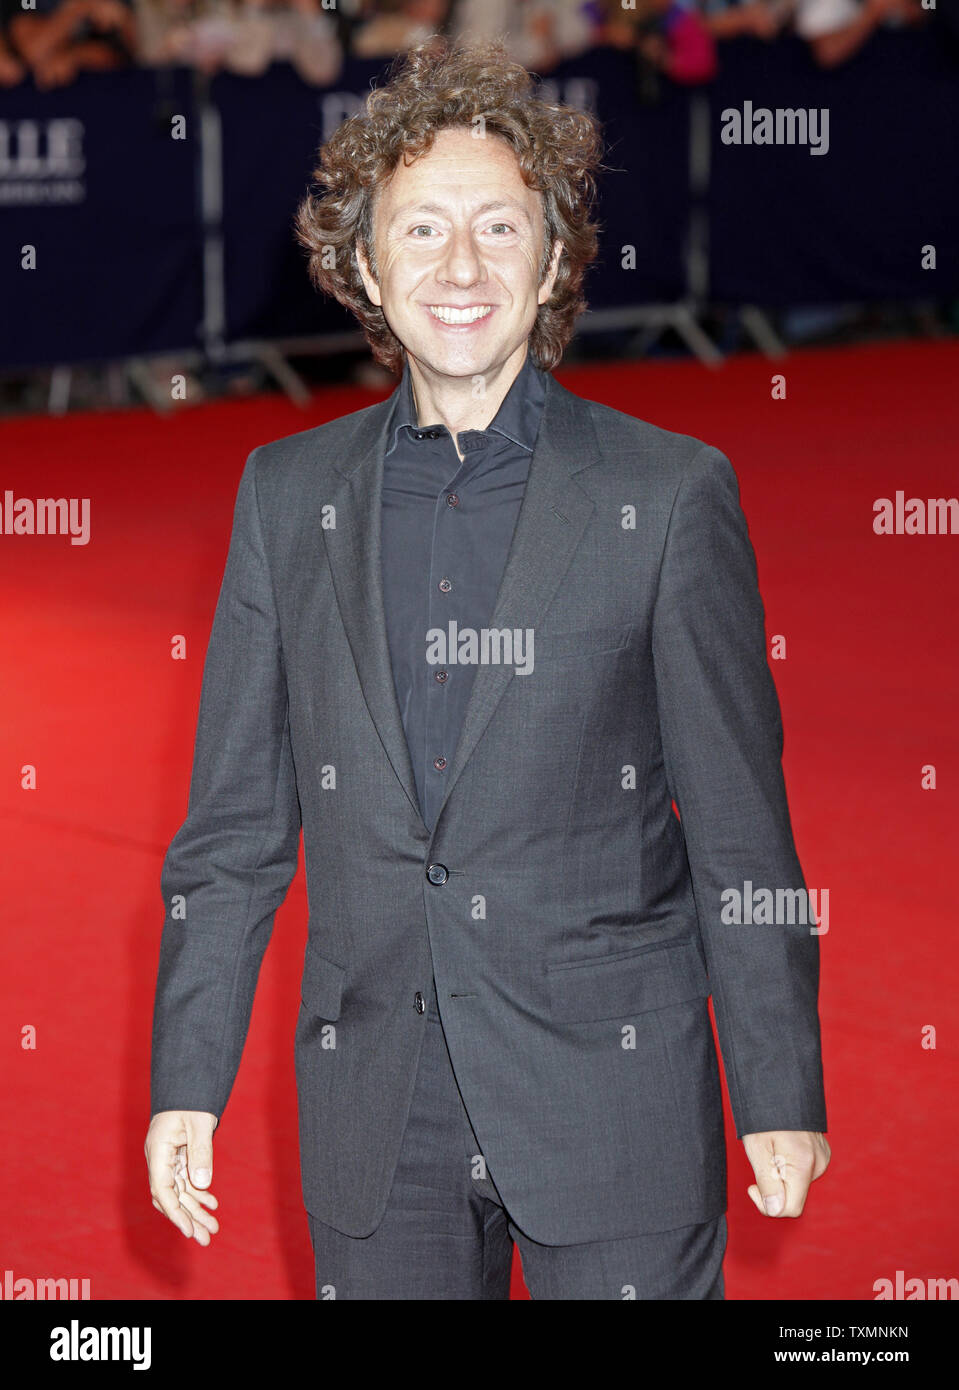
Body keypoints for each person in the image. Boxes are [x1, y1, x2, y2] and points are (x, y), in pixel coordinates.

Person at [146, 34, 830, 1301]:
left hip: (610, 1102)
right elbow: (233, 831)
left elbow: (740, 826)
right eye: (419, 232)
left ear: (556, 257)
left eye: (498, 230)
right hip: (375, 1116)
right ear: (362, 262)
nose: (459, 268)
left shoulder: (668, 495)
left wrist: (778, 1082)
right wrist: (188, 1076)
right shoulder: (285, 497)